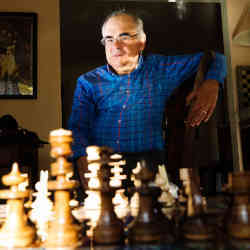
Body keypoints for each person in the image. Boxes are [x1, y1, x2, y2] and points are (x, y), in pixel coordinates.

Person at [68, 9, 227, 192]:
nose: (115, 46)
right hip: (102, 166)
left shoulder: (161, 69)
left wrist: (212, 83)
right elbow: (77, 128)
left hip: (149, 165)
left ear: (141, 42)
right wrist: (82, 159)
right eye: (109, 39)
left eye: (124, 36)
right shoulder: (87, 82)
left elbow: (219, 58)